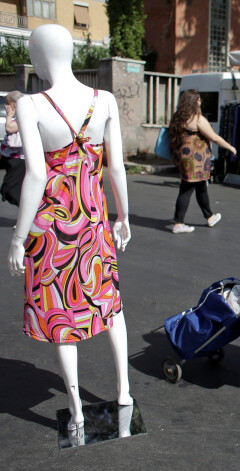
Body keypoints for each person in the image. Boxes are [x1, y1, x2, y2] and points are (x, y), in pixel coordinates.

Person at [7, 24, 133, 445]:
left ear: (40, 59)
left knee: (61, 317)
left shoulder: (30, 104)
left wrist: (17, 238)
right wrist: (124, 217)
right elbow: (116, 167)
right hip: (95, 221)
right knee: (109, 305)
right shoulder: (105, 100)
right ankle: (124, 394)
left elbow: (37, 174)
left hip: (53, 231)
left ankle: (78, 413)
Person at [169, 89, 236, 234]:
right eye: (198, 99)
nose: (201, 102)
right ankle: (178, 223)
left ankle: (209, 216)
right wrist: (230, 147)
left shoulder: (177, 117)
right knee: (186, 189)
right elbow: (214, 137)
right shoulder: (197, 118)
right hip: (196, 161)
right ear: (193, 102)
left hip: (183, 158)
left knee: (200, 187)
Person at [0, 90, 26, 206]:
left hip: (18, 159)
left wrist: (9, 115)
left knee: (11, 190)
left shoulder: (24, 116)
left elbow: (10, 128)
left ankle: (28, 214)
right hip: (9, 156)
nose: (6, 106)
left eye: (8, 104)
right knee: (10, 188)